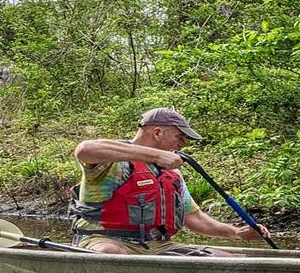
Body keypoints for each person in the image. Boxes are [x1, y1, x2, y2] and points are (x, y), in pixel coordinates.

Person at [69, 108, 269, 255]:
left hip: (158, 245)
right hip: (105, 240)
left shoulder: (172, 174)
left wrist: (236, 233)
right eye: (180, 137)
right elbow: (84, 150)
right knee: (110, 252)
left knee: (223, 257)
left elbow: (195, 219)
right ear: (157, 133)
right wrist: (154, 155)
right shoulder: (113, 161)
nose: (183, 144)